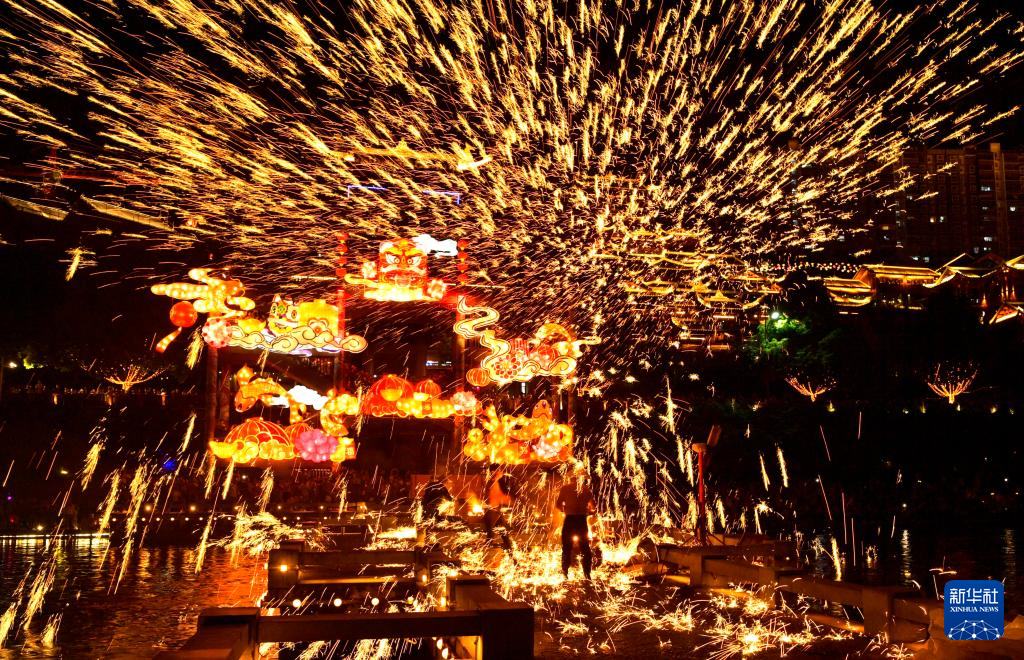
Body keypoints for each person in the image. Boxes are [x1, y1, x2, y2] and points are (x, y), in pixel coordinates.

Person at [555, 466, 596, 580]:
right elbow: (593, 507)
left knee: (566, 547)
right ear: (580, 478)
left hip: (569, 520)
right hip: (581, 521)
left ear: (570, 478)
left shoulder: (565, 488)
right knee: (585, 547)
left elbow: (558, 505)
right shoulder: (586, 489)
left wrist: (565, 510)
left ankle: (565, 573)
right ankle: (587, 574)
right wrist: (588, 512)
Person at [483, 467, 514, 547]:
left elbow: (498, 495)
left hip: (496, 512)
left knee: (503, 531)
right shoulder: (492, 483)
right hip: (491, 512)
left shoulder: (494, 483)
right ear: (494, 472)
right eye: (499, 471)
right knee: (491, 535)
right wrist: (506, 499)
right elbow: (495, 496)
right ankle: (484, 550)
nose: (501, 472)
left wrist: (506, 499)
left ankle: (509, 548)